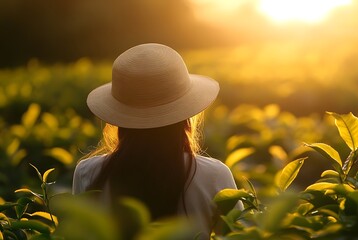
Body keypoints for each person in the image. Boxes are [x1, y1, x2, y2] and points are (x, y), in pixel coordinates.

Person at [72, 43, 241, 239]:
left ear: (120, 117)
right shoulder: (213, 175)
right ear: (185, 117)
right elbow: (238, 235)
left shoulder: (88, 173)